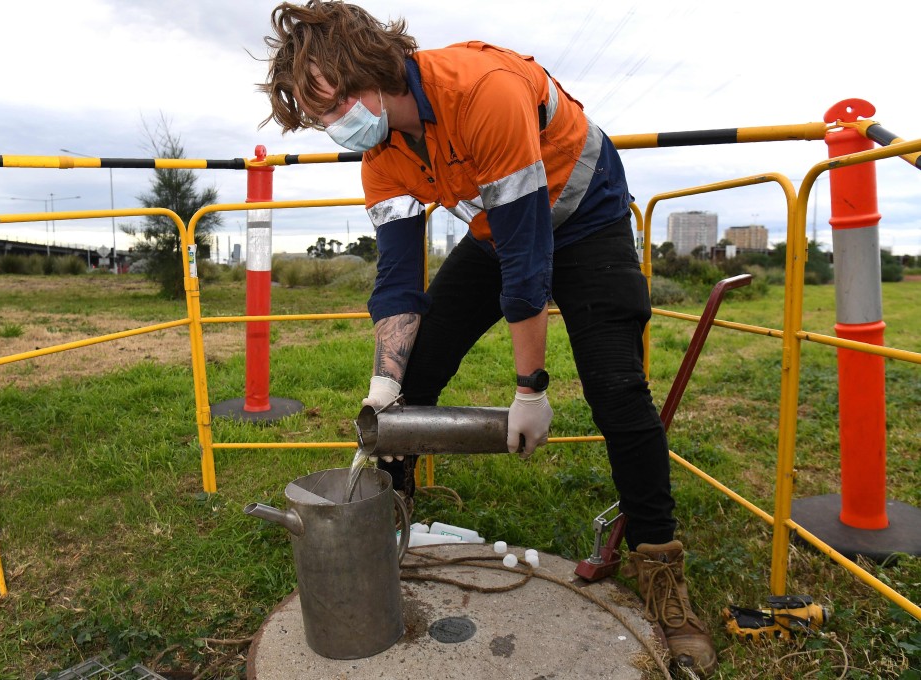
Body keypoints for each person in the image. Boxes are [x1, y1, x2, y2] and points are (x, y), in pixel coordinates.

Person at [260, 2, 716, 675]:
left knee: (616, 388)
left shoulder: (484, 92)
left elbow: (526, 268)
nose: (334, 127)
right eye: (318, 117)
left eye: (335, 106)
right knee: (412, 382)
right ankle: (386, 532)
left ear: (372, 69)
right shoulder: (381, 153)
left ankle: (661, 572)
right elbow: (396, 282)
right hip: (497, 228)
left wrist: (529, 389)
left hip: (583, 213)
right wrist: (386, 384)